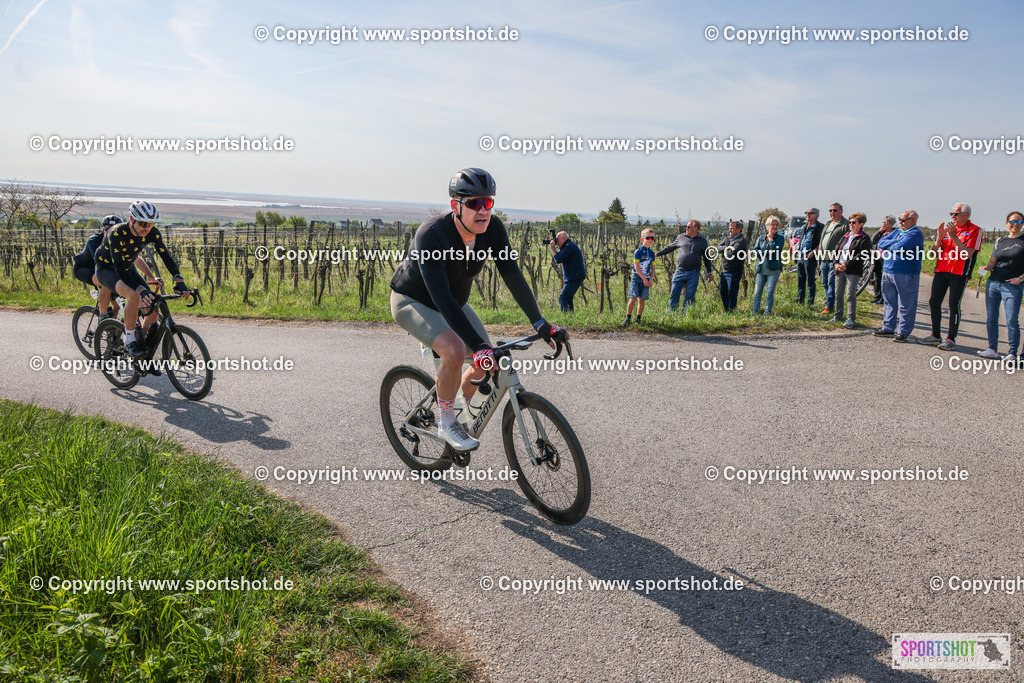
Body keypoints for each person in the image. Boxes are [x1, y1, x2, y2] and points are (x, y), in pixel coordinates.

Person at [390, 168, 565, 452]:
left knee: (488, 360)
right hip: (414, 302)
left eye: (488, 202)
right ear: (454, 206)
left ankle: (454, 406)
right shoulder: (432, 235)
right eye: (473, 203)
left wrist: (541, 324)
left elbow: (511, 274)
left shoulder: (493, 229)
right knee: (457, 350)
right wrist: (477, 344)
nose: (482, 210)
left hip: (455, 303)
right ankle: (447, 423)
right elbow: (441, 296)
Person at [93, 201, 190, 358]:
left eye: (150, 224)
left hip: (127, 268)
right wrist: (140, 290)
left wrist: (179, 280)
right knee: (134, 295)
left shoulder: (152, 232)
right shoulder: (116, 232)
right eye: (143, 223)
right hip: (107, 270)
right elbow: (118, 269)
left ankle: (141, 345)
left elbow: (165, 255)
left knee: (152, 309)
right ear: (132, 219)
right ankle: (130, 341)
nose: (146, 228)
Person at [919, 203, 983, 351]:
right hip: (942, 270)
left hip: (959, 273)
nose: (953, 217)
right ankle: (935, 336)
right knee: (934, 302)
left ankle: (951, 339)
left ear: (966, 215)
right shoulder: (947, 230)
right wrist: (939, 238)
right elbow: (933, 253)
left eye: (956, 214)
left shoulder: (975, 230)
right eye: (951, 214)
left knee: (954, 305)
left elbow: (967, 253)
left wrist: (954, 236)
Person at [977, 211, 1024, 364]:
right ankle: (992, 349)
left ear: (1022, 223)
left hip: (1012, 286)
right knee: (991, 318)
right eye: (1012, 221)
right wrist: (987, 267)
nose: (1015, 224)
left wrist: (1021, 278)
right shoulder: (1000, 240)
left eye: (1018, 221)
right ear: (1006, 223)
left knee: (1011, 320)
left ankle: (1012, 353)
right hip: (993, 284)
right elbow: (993, 261)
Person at [874, 210, 924, 342]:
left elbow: (900, 248)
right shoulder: (897, 232)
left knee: (906, 304)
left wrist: (891, 245)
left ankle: (903, 331)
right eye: (899, 219)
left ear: (913, 220)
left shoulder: (915, 233)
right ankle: (888, 327)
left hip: (906, 272)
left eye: (903, 220)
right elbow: (881, 243)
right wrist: (893, 244)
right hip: (888, 270)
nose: (900, 222)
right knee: (889, 301)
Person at [656, 219, 714, 313]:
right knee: (674, 292)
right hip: (680, 271)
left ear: (695, 228)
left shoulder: (702, 241)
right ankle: (672, 313)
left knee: (690, 294)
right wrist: (657, 254)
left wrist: (709, 272)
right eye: (686, 226)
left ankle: (685, 314)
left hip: (694, 272)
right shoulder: (681, 237)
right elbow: (670, 247)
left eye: (688, 227)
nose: (686, 228)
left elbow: (706, 258)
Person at [832, 213, 872, 329]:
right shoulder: (846, 236)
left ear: (861, 224)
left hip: (852, 270)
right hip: (839, 268)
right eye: (849, 222)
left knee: (850, 294)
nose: (851, 224)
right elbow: (836, 249)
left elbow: (863, 255)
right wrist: (836, 263)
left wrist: (846, 264)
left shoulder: (864, 238)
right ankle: (838, 316)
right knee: (838, 293)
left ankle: (850, 319)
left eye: (854, 222)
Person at [817, 203, 849, 316]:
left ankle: (829, 305)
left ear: (841, 211)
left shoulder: (845, 224)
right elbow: (822, 239)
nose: (832, 212)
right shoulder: (829, 223)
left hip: (834, 258)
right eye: (830, 210)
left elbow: (846, 242)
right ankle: (829, 302)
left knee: (831, 282)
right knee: (824, 282)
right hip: (823, 258)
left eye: (835, 210)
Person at [751, 217, 786, 315]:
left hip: (774, 269)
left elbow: (777, 251)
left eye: (777, 225)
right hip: (761, 269)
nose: (775, 227)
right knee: (757, 292)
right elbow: (755, 251)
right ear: (768, 226)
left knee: (769, 292)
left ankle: (768, 312)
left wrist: (771, 240)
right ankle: (755, 312)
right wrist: (766, 252)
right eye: (772, 224)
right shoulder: (761, 238)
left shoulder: (780, 238)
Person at [623, 228, 656, 325]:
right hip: (637, 278)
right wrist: (644, 279)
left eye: (653, 238)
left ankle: (638, 319)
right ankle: (628, 318)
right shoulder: (638, 252)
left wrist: (650, 279)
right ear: (642, 239)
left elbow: (653, 268)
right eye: (648, 238)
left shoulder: (652, 254)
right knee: (632, 299)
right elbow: (637, 268)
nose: (650, 240)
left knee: (642, 300)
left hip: (646, 279)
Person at [549, 229, 586, 312]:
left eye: (557, 240)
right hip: (574, 276)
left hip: (574, 277)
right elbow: (559, 255)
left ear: (563, 239)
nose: (557, 242)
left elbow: (558, 259)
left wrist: (552, 249)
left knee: (562, 298)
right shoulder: (568, 246)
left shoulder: (569, 246)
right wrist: (554, 248)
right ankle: (570, 317)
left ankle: (565, 318)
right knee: (568, 298)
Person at [718, 221, 747, 311]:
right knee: (723, 292)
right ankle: (726, 310)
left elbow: (733, 252)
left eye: (732, 228)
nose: (730, 230)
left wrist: (726, 248)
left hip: (734, 271)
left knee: (732, 292)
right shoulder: (728, 239)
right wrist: (727, 248)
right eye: (729, 228)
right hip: (725, 270)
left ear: (739, 229)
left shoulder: (741, 240)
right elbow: (718, 248)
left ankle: (732, 310)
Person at [796, 208, 823, 306]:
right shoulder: (805, 226)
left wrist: (814, 251)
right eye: (806, 213)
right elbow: (802, 239)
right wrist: (798, 250)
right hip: (801, 256)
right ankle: (800, 300)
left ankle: (810, 302)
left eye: (810, 213)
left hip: (810, 257)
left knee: (810, 280)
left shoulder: (820, 228)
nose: (807, 214)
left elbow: (822, 242)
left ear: (816, 215)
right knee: (800, 280)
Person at [870, 216, 896, 304]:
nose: (884, 224)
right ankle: (877, 296)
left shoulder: (895, 233)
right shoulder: (882, 233)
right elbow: (872, 241)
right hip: (878, 256)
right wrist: (879, 232)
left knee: (885, 279)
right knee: (877, 277)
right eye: (883, 222)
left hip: (887, 258)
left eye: (886, 222)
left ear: (892, 224)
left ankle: (883, 298)